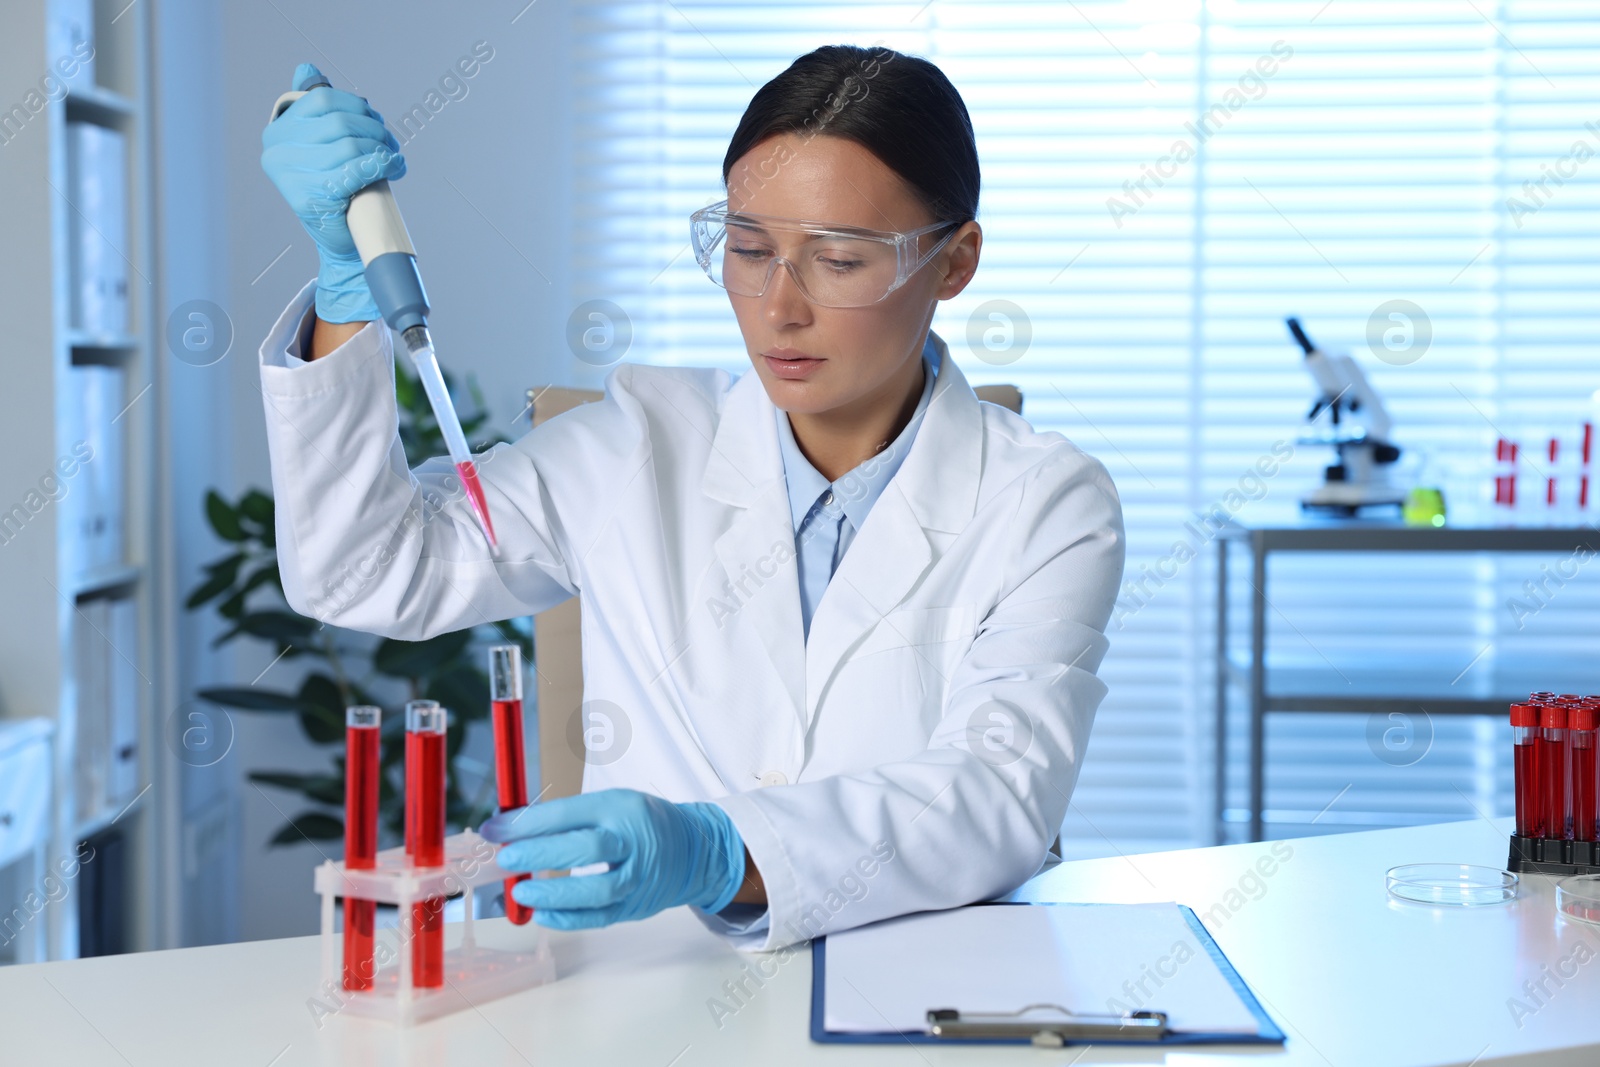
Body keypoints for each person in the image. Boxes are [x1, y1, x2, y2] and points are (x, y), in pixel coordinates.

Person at [258, 44, 1124, 953]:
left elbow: (1000, 792)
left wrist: (721, 849)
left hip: (915, 1007)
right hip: (648, 1000)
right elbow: (363, 571)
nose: (778, 308)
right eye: (750, 250)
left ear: (955, 261)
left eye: (837, 260)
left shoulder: (1047, 502)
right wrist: (347, 296)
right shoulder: (638, 443)